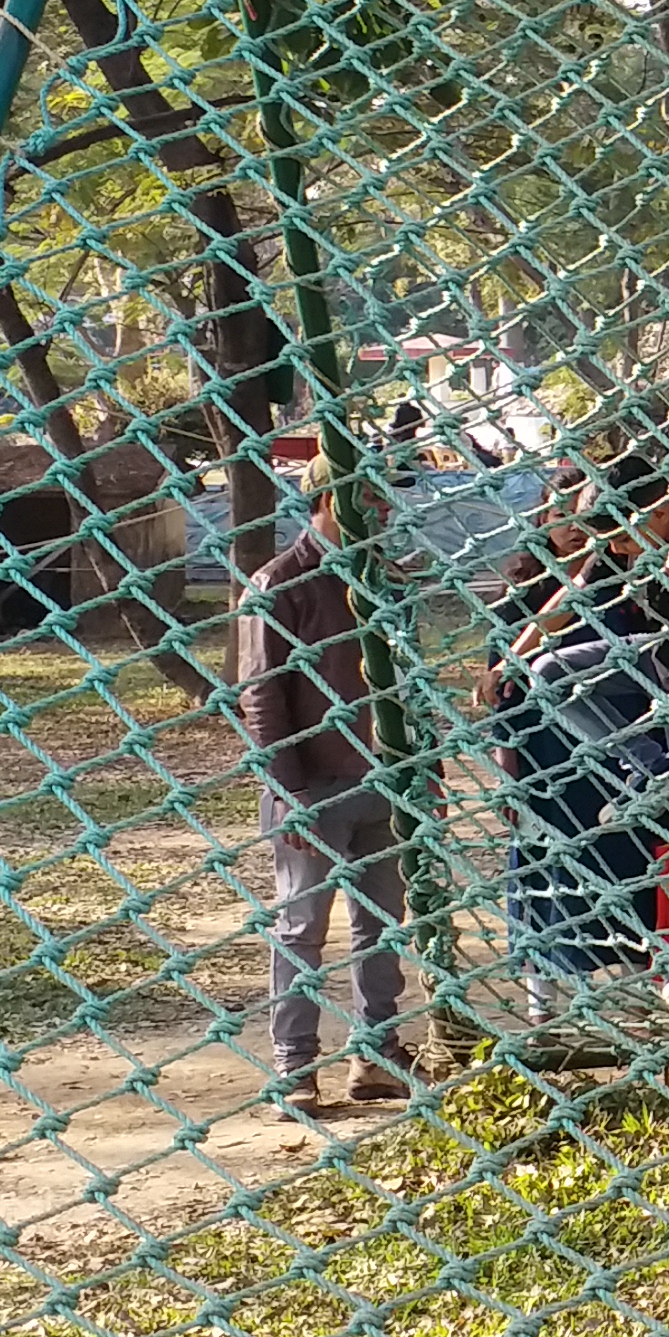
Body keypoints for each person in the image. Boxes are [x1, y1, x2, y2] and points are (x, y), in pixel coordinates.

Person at [236, 473, 411, 1106]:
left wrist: (427, 775)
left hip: (385, 779)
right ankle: (295, 1065)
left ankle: (377, 1053)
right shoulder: (279, 582)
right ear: (329, 500)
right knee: (303, 925)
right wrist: (289, 793)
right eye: (369, 496)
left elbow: (407, 685)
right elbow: (261, 696)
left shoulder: (382, 578)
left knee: (383, 923)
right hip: (312, 783)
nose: (384, 507)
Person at [489, 513, 657, 1036]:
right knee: (546, 877)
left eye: (585, 515)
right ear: (540, 521)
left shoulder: (626, 589)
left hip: (619, 762)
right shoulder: (517, 601)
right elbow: (502, 702)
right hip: (546, 758)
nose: (574, 526)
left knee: (627, 876)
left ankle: (636, 1010)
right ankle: (544, 1008)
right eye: (560, 516)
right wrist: (508, 776)